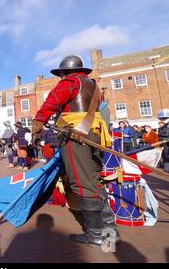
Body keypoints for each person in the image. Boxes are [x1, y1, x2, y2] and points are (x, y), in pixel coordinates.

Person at [32, 55, 118, 247]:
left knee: (81, 183)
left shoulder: (68, 83)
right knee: (94, 181)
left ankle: (96, 235)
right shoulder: (94, 86)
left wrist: (36, 131)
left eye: (61, 74)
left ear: (64, 72)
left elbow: (48, 107)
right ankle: (110, 232)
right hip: (96, 133)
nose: (60, 77)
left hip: (76, 136)